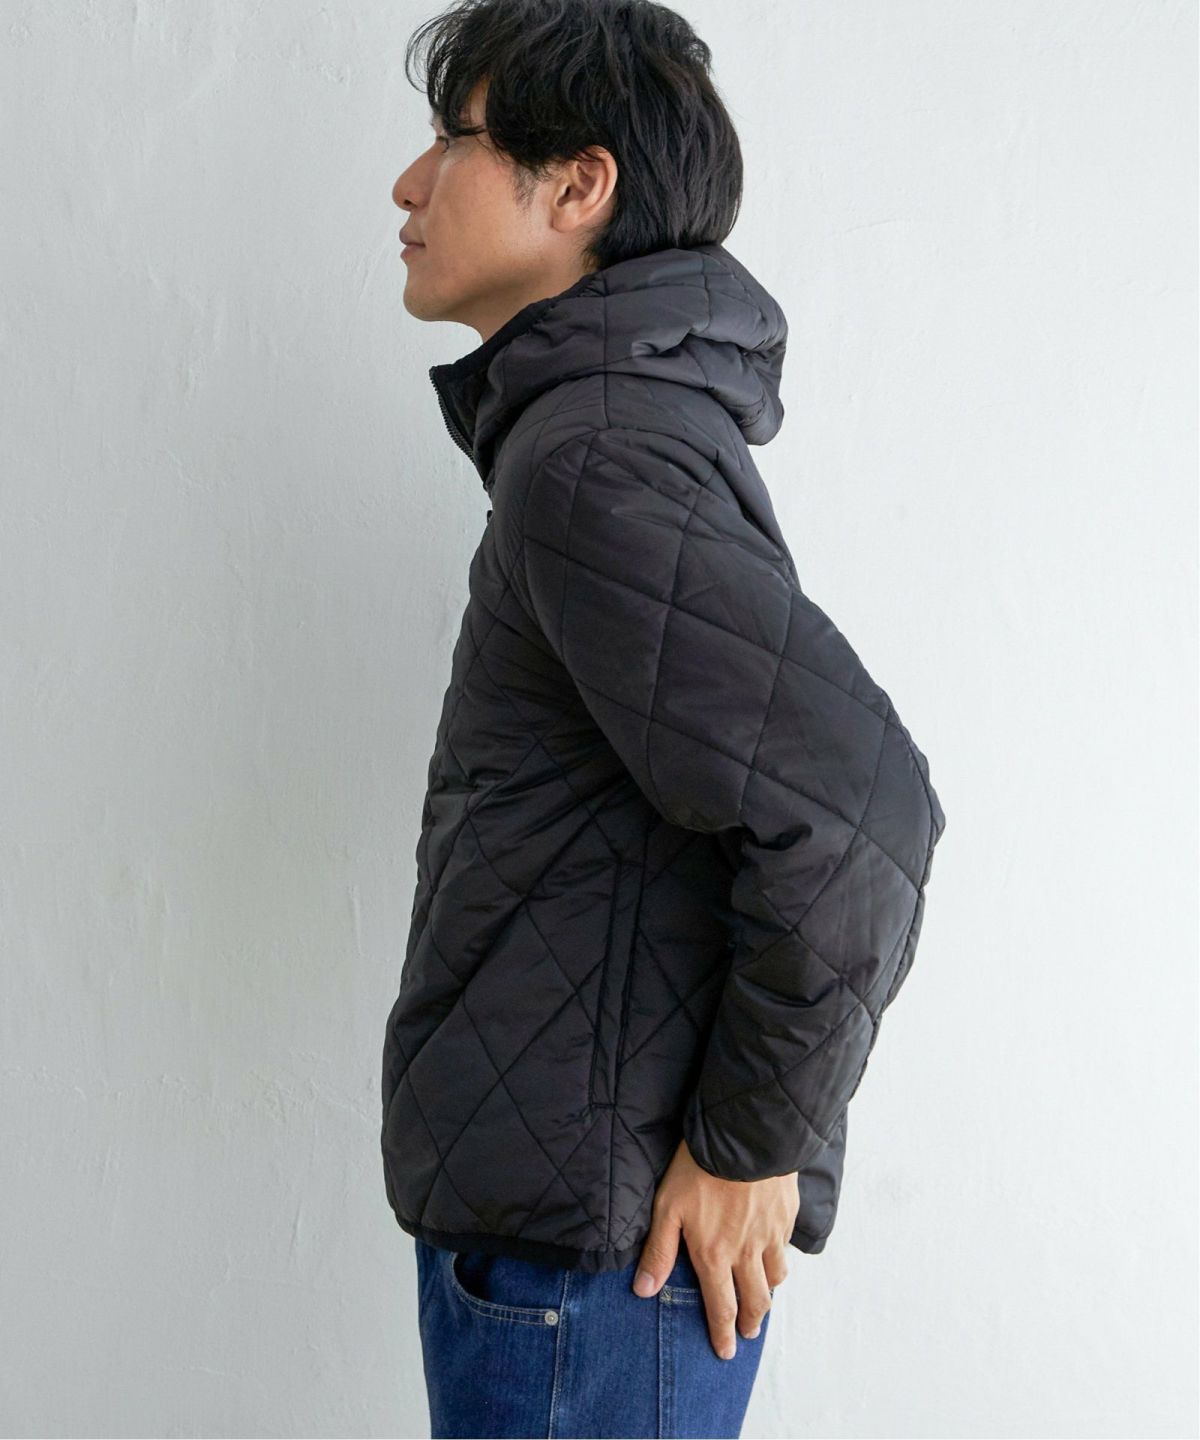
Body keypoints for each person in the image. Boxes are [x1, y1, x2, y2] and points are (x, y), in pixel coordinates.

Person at [381, 3, 947, 1435]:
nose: (409, 183)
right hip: (576, 1251)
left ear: (579, 185)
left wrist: (752, 1145)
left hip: (592, 1278)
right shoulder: (602, 432)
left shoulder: (595, 454)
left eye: (452, 140)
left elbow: (863, 814)